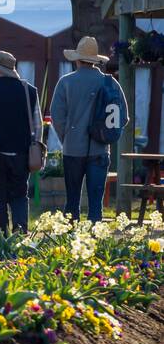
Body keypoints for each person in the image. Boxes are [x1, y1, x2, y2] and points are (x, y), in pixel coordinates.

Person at [50, 36, 128, 223]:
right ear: (96, 61)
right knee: (96, 204)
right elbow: (123, 117)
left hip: (72, 149)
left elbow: (57, 117)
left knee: (72, 202)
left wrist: (67, 138)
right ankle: (95, 241)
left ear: (77, 59)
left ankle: (69, 241)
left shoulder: (66, 82)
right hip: (100, 149)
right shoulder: (110, 83)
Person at [0, 51, 42, 234]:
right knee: (20, 195)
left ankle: (0, 234)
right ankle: (20, 231)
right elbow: (37, 125)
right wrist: (35, 145)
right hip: (22, 152)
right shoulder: (29, 90)